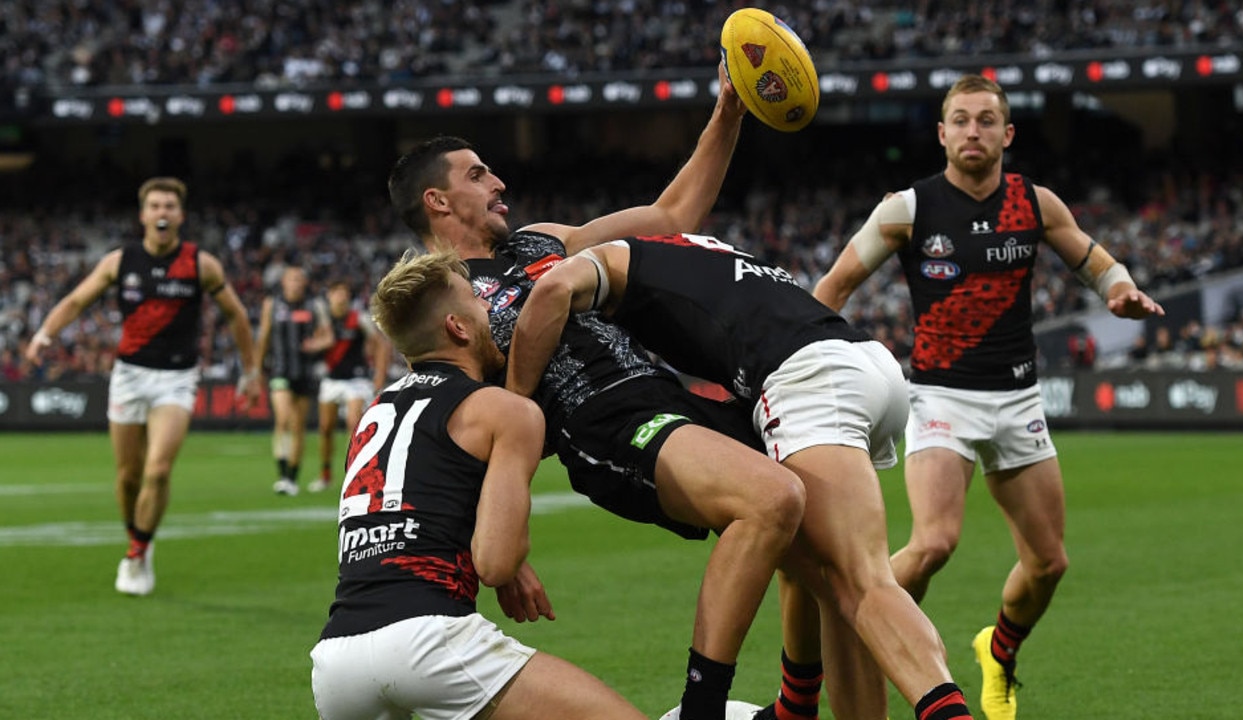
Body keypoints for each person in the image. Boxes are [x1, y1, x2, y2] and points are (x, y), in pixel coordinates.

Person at [385, 63, 808, 720]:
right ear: (437, 202)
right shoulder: (440, 299)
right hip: (601, 422)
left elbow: (673, 215)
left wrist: (729, 109)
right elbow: (462, 428)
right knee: (773, 500)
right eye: (476, 175)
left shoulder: (543, 241)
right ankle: (707, 710)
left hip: (669, 396)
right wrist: (501, 547)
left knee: (818, 532)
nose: (500, 183)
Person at [504, 232, 977, 720]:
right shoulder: (702, 248)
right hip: (866, 363)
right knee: (822, 574)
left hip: (806, 379)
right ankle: (799, 705)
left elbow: (555, 289)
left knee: (861, 582)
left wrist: (515, 408)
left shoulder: (610, 259)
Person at [810, 74, 1165, 720]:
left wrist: (1120, 289)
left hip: (1018, 401)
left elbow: (1095, 262)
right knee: (935, 541)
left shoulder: (1034, 203)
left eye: (985, 120)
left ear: (1007, 132)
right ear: (942, 133)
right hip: (941, 397)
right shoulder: (907, 209)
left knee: (1049, 562)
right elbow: (832, 288)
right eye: (961, 120)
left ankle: (997, 652)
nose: (973, 131)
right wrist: (798, 362)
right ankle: (858, 625)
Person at [310, 248, 650, 720]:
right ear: (459, 328)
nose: (492, 308)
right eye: (477, 300)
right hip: (429, 641)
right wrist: (512, 561)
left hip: (336, 660)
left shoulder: (373, 411)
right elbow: (495, 561)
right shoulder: (504, 411)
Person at [24, 176, 260, 596]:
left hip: (176, 378)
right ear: (143, 215)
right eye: (155, 206)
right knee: (128, 477)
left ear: (180, 215)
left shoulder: (201, 264)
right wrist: (45, 333)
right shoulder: (120, 261)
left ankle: (137, 552)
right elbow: (78, 300)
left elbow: (237, 317)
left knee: (158, 470)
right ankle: (138, 536)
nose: (162, 213)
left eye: (169, 206)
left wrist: (250, 371)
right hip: (129, 375)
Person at [253, 264, 333, 496]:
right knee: (284, 419)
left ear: (305, 283)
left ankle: (291, 478)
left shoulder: (314, 305)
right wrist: (256, 370)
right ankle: (282, 473)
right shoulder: (272, 304)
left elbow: (328, 336)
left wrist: (316, 344)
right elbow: (264, 337)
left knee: (298, 427)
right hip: (280, 371)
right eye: (292, 279)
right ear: (284, 282)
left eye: (300, 279)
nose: (296, 283)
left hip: (305, 373)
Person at [309, 279, 389, 493]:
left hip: (356, 380)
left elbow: (381, 345)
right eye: (336, 292)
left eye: (344, 292)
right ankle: (325, 475)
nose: (340, 297)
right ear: (330, 296)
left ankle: (354, 474)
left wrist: (379, 376)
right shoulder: (324, 322)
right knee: (325, 428)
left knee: (354, 424)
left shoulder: (358, 318)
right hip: (331, 379)